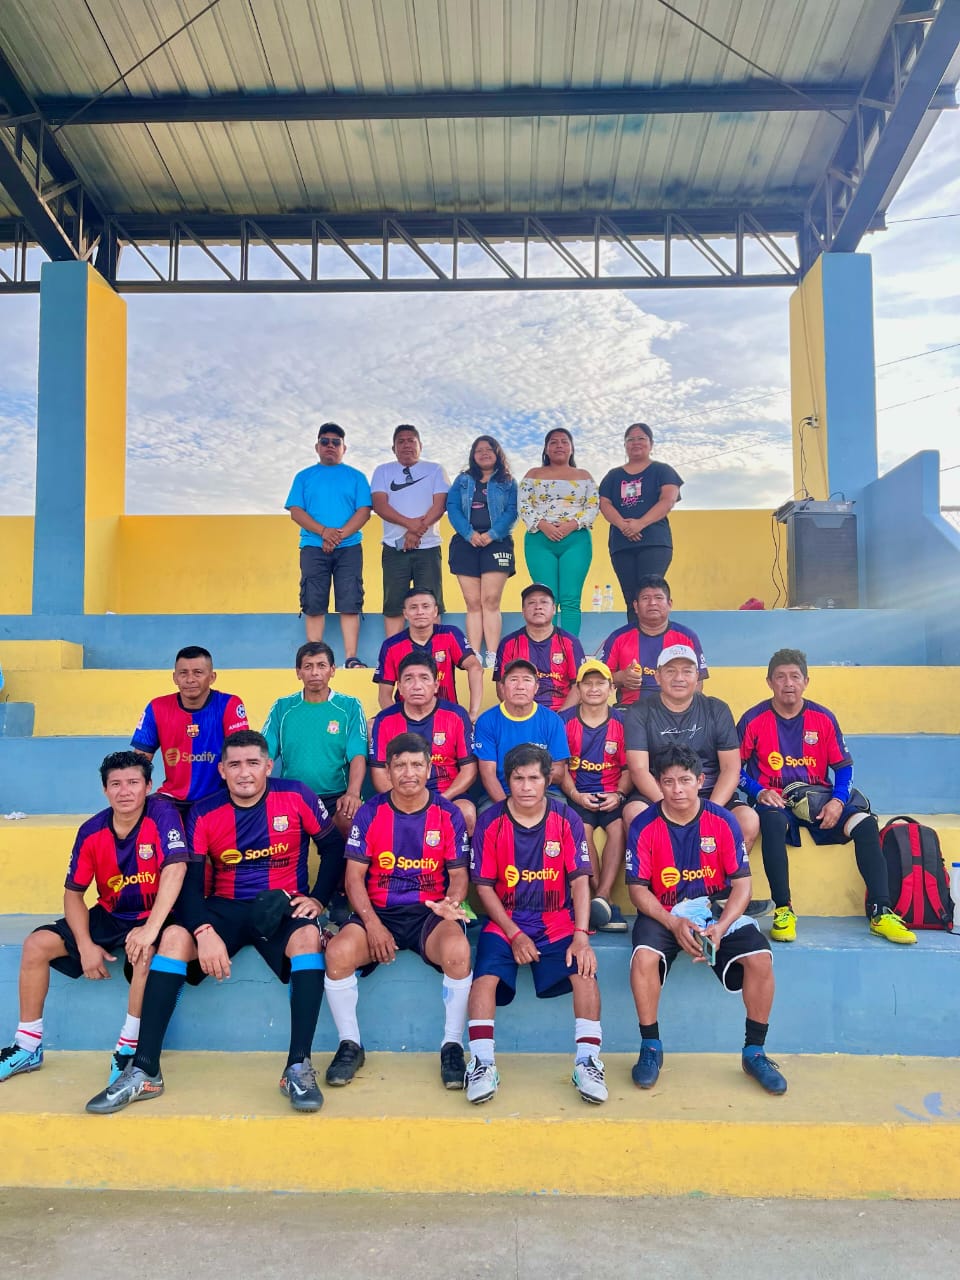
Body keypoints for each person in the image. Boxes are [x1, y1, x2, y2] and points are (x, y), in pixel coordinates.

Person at [85, 731, 332, 1116]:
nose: (244, 772)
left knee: (307, 940)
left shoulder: (296, 795)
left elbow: (333, 848)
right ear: (221, 770)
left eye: (253, 763)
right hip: (223, 906)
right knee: (173, 938)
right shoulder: (203, 811)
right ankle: (146, 1070)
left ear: (268, 765)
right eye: (235, 764)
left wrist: (318, 898)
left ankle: (297, 1067)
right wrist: (203, 931)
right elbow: (190, 884)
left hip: (280, 906)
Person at [0, 752, 189, 1088]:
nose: (124, 791)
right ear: (105, 790)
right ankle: (28, 1045)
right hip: (112, 913)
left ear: (148, 786)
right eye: (115, 784)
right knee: (36, 944)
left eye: (133, 782)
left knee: (144, 951)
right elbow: (73, 894)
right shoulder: (91, 830)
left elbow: (176, 869)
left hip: (157, 913)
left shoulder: (162, 814)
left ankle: (128, 1049)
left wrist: (150, 930)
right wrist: (86, 945)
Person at [626, 746, 786, 1095]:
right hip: (664, 909)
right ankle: (650, 1046)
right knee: (643, 958)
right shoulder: (644, 824)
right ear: (658, 784)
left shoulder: (723, 820)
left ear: (700, 781)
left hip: (713, 910)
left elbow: (742, 885)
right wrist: (672, 922)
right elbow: (637, 890)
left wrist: (722, 926)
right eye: (668, 782)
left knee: (760, 958)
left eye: (685, 780)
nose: (677, 789)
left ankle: (754, 1052)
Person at [322, 733, 473, 1091]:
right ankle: (350, 1044)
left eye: (417, 764)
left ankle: (452, 1046)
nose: (409, 773)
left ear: (429, 769)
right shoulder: (371, 813)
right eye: (400, 765)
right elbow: (354, 878)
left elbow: (458, 877)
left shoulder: (448, 813)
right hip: (380, 911)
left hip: (429, 913)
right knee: (338, 953)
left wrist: (450, 905)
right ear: (387, 771)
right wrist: (373, 924)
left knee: (458, 951)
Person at [738, 648, 916, 946]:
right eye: (780, 677)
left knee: (865, 823)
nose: (788, 683)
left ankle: (881, 912)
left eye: (795, 676)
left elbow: (844, 768)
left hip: (818, 801)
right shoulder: (753, 719)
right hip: (776, 802)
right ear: (769, 682)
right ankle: (783, 909)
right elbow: (734, 770)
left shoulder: (822, 718)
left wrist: (838, 800)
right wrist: (759, 791)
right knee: (770, 822)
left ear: (806, 681)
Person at [465, 745, 605, 1105]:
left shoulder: (566, 818)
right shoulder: (491, 821)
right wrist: (514, 934)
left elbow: (579, 882)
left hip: (556, 919)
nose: (526, 786)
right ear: (507, 781)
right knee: (484, 980)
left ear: (547, 780)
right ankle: (481, 1062)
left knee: (585, 973)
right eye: (518, 778)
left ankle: (588, 1062)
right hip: (507, 920)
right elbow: (483, 887)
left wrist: (581, 936)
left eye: (534, 778)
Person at [621, 642, 760, 854]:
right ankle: (662, 875)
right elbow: (638, 769)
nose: (679, 678)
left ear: (697, 677)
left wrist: (708, 812)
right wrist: (670, 808)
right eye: (670, 671)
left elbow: (731, 768)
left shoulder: (717, 709)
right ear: (657, 676)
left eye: (687, 671)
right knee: (634, 813)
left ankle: (721, 876)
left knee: (748, 821)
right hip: (660, 791)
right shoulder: (640, 711)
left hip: (709, 791)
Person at [261, 641, 368, 909]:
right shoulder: (283, 707)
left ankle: (341, 894)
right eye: (307, 667)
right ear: (298, 672)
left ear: (333, 670)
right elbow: (264, 753)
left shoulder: (349, 706)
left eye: (321, 665)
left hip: (335, 795)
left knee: (348, 819)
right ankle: (293, 897)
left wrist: (353, 793)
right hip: (292, 797)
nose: (315, 672)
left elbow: (358, 754)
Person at [284, 422, 372, 667]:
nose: (330, 446)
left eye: (336, 442)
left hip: (349, 547)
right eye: (325, 441)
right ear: (317, 447)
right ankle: (314, 658)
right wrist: (324, 533)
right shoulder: (303, 477)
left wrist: (336, 537)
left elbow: (364, 512)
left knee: (350, 600)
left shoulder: (356, 477)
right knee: (313, 601)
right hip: (313, 546)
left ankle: (351, 657)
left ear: (344, 448)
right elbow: (296, 511)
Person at [130, 646, 248, 818]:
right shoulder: (157, 707)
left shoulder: (229, 704)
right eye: (183, 673)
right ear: (175, 677)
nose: (190, 679)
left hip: (218, 797)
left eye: (198, 673)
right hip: (172, 799)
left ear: (212, 677)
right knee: (150, 816)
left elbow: (241, 755)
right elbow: (139, 762)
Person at [369, 652, 478, 834]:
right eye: (409, 679)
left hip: (447, 793)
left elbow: (469, 770)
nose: (417, 686)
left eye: (424, 678)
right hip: (401, 794)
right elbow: (379, 773)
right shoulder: (385, 720)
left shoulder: (456, 715)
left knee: (466, 813)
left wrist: (441, 800)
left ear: (436, 685)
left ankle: (463, 855)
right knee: (369, 816)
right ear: (400, 687)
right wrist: (407, 801)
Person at [560, 660, 630, 933]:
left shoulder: (623, 722)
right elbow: (560, 768)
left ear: (612, 688)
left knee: (618, 828)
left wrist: (619, 795)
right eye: (587, 683)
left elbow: (630, 768)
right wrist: (576, 795)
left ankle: (601, 896)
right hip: (579, 794)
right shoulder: (564, 721)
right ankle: (605, 902)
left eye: (600, 683)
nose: (593, 688)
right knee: (583, 830)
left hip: (612, 794)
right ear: (577, 689)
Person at [517, 428, 599, 636]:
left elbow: (593, 506)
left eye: (564, 441)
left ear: (572, 448)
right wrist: (543, 525)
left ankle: (569, 648)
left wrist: (571, 525)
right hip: (539, 540)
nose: (559, 445)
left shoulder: (584, 476)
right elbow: (523, 504)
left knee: (571, 598)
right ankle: (546, 647)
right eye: (553, 442)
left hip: (576, 540)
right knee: (546, 598)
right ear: (546, 449)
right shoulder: (533, 474)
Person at [370, 424, 450, 636]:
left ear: (420, 445)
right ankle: (393, 651)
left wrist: (415, 532)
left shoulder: (435, 470)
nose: (406, 445)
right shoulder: (382, 471)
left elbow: (440, 505)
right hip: (394, 548)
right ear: (393, 448)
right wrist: (410, 524)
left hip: (428, 548)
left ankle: (433, 651)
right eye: (401, 441)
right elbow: (379, 505)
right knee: (394, 604)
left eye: (411, 441)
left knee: (431, 603)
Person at [446, 435, 518, 665]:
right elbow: (452, 507)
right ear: (473, 455)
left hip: (497, 543)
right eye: (479, 450)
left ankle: (493, 655)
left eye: (489, 449)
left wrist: (492, 534)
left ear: (497, 453)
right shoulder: (463, 480)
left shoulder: (508, 482)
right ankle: (475, 654)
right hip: (466, 543)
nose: (484, 453)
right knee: (473, 602)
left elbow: (512, 511)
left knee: (491, 600)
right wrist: (469, 534)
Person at [599, 423, 683, 619]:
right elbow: (604, 503)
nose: (636, 443)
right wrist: (623, 525)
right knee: (631, 599)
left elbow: (668, 500)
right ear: (625, 445)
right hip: (621, 545)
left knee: (650, 595)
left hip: (654, 542)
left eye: (641, 438)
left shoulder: (663, 470)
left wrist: (640, 523)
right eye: (630, 439)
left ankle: (655, 636)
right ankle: (634, 637)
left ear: (651, 444)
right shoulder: (613, 476)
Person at [374, 587, 483, 723]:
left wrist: (473, 712)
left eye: (425, 606)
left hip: (447, 718)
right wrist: (401, 722)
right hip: (407, 718)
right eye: (413, 607)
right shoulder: (391, 646)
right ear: (405, 613)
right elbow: (384, 696)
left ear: (435, 611)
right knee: (371, 726)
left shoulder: (450, 635)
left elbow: (475, 667)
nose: (420, 612)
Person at [472, 658, 569, 804]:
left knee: (561, 817)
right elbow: (488, 774)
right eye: (513, 680)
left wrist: (531, 787)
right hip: (502, 792)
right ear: (502, 687)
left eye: (527, 680)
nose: (520, 686)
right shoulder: (487, 721)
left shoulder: (552, 720)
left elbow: (559, 772)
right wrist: (508, 808)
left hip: (545, 792)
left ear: (536, 687)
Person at [601, 575, 707, 708]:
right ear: (636, 606)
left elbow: (698, 681)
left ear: (670, 604)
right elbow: (599, 679)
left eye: (658, 597)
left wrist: (683, 710)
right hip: (629, 710)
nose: (652, 603)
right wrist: (620, 677)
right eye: (646, 598)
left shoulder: (687, 637)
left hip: (674, 711)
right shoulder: (618, 638)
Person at [493, 582, 584, 711]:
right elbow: (501, 686)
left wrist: (559, 717)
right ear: (523, 611)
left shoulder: (570, 642)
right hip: (522, 713)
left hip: (561, 713)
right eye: (531, 603)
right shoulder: (508, 643)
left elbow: (578, 686)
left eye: (544, 602)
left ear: (554, 609)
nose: (538, 607)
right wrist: (522, 714)